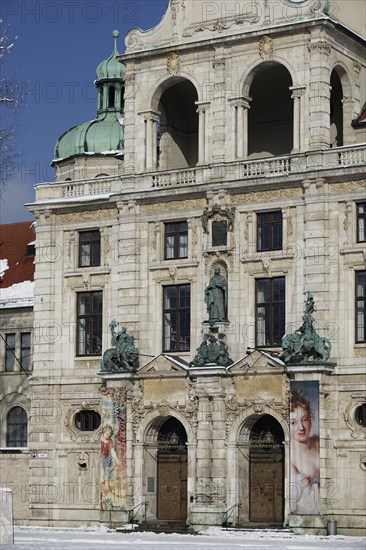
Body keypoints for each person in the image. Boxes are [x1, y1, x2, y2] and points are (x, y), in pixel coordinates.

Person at [290, 391, 320, 514]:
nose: (301, 427)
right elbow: (304, 506)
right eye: (293, 422)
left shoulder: (319, 444)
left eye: (305, 419)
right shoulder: (290, 458)